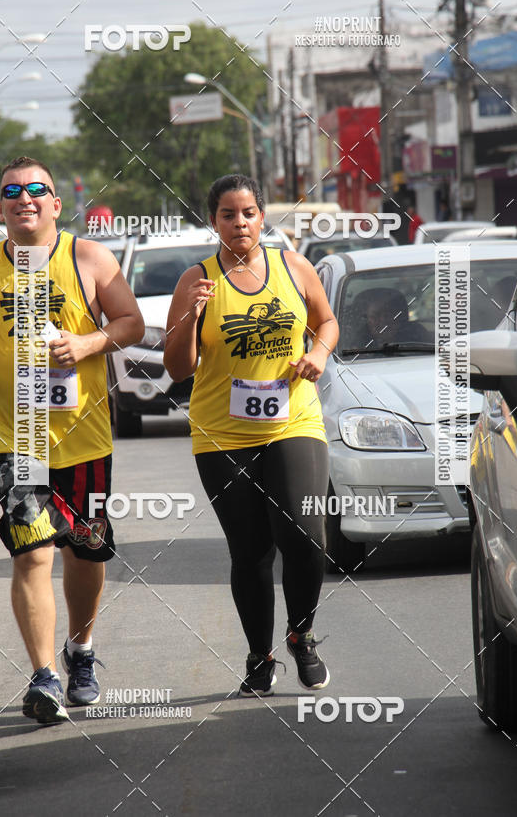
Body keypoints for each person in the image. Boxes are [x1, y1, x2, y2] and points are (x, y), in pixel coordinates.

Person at [0, 156, 145, 724]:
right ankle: (44, 677)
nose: (24, 198)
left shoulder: (89, 257)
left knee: (85, 550)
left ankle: (80, 650)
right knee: (32, 551)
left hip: (84, 437)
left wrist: (87, 344)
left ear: (57, 203)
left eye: (37, 189)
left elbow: (131, 322)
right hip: (16, 439)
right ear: (0, 206)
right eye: (12, 192)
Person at [164, 174, 339, 696]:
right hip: (223, 434)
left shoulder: (293, 267)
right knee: (251, 551)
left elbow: (327, 322)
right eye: (227, 215)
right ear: (213, 221)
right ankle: (259, 656)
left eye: (247, 213)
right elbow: (178, 368)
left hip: (293, 420)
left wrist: (318, 354)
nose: (239, 223)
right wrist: (190, 316)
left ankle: (302, 635)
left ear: (262, 217)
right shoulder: (196, 279)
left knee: (306, 535)